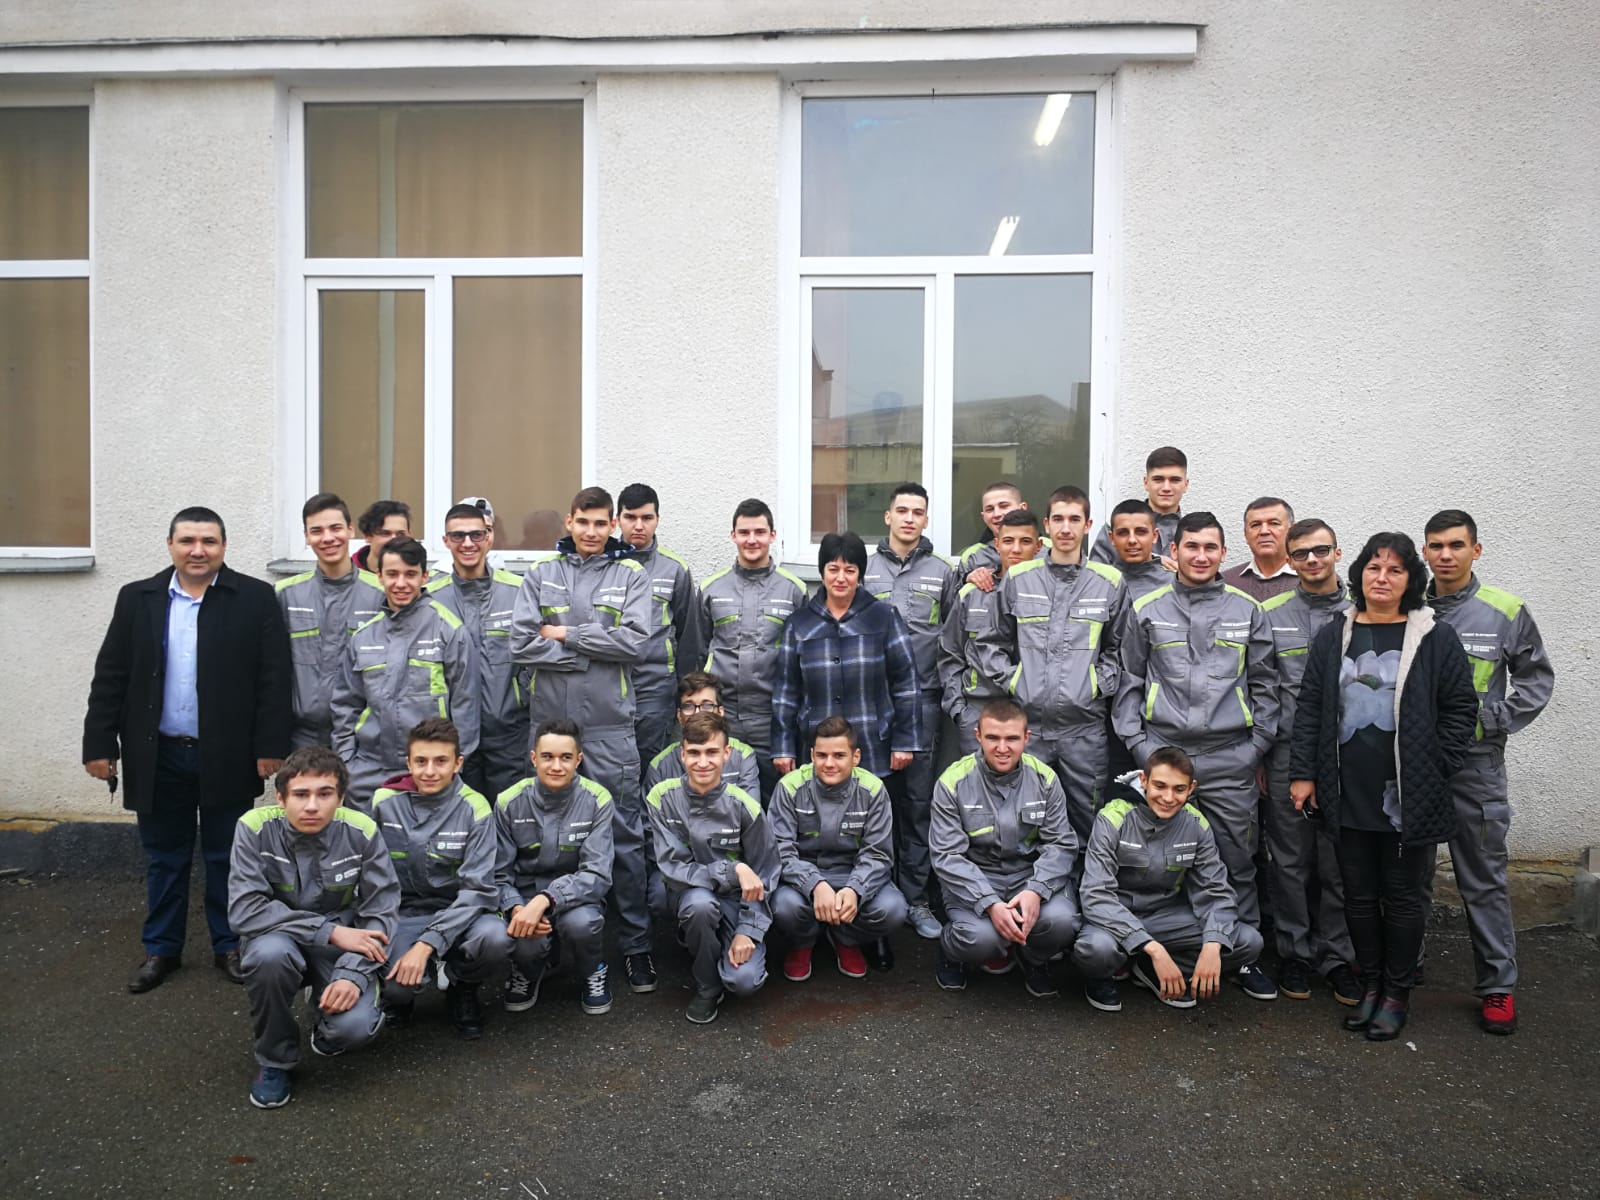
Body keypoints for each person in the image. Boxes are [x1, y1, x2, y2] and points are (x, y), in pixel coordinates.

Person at [83, 506, 292, 994]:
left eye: (209, 541)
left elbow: (274, 679)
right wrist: (99, 743)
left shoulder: (254, 598)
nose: (198, 550)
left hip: (228, 753)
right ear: (170, 545)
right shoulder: (137, 598)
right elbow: (111, 675)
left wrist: (270, 747)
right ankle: (161, 950)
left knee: (228, 855)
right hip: (157, 754)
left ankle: (229, 945)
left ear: (224, 546)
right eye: (187, 541)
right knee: (164, 857)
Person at [1290, 532, 1478, 1041]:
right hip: (1346, 788)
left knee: (1401, 897)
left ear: (1410, 579)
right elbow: (1310, 707)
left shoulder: (1434, 636)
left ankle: (1397, 994)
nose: (1382, 578)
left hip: (1405, 794)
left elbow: (1461, 708)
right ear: (1359, 574)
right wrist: (1304, 774)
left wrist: (1436, 765)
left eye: (1395, 570)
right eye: (1374, 568)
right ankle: (1370, 986)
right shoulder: (1335, 634)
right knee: (1356, 895)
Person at [1113, 511, 1279, 1000]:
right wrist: (1140, 747)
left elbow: (1266, 686)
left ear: (1223, 553)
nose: (1201, 556)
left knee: (1235, 860)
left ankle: (1240, 956)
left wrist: (1256, 748)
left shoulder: (1248, 610)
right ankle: (1156, 953)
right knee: (1158, 862)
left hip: (1229, 758)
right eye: (1192, 546)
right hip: (1163, 756)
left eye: (1210, 547)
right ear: (1175, 550)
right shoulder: (1147, 609)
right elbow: (1129, 682)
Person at [510, 486, 656, 993]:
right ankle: (545, 943)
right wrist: (589, 650)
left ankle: (636, 947)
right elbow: (521, 643)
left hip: (610, 728)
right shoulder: (540, 575)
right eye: (583, 522)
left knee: (625, 836)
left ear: (612, 525)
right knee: (547, 837)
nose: (591, 532)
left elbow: (635, 644)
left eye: (600, 523)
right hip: (552, 728)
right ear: (569, 522)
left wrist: (566, 635)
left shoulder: (631, 575)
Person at [1421, 509, 1554, 1035]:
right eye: (1436, 545)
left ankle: (1498, 985)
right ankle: (1404, 968)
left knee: (1482, 880)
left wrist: (1491, 720)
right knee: (1409, 877)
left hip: (1475, 767)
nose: (1445, 555)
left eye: (1456, 545)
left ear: (1476, 550)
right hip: (1414, 765)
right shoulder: (1409, 608)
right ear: (1425, 552)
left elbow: (1535, 680)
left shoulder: (1504, 610)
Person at [227, 747, 398, 1109]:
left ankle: (327, 1022)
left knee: (354, 1028)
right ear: (280, 798)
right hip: (279, 937)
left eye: (324, 794)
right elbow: (244, 911)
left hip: (340, 942)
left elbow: (381, 912)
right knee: (268, 958)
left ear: (341, 797)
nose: (311, 806)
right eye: (301, 794)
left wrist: (352, 975)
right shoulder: (253, 828)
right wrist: (328, 931)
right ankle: (275, 1060)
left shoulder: (362, 830)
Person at [1072, 747, 1265, 1012]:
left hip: (1166, 918)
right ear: (1144, 780)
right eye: (1160, 786)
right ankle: (1104, 975)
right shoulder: (1113, 817)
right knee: (1095, 949)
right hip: (1114, 918)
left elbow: (1216, 892)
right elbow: (1095, 895)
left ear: (1191, 788)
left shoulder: (1196, 824)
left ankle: (1151, 968)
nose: (1168, 797)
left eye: (1179, 789)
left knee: (1248, 942)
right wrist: (1152, 947)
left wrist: (1213, 944)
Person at [986, 485, 1127, 846]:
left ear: (1088, 525)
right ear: (1047, 525)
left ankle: (1084, 882)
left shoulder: (1109, 582)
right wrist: (1016, 681)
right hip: (1029, 727)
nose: (1066, 528)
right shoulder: (1019, 579)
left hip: (1084, 729)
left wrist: (1096, 684)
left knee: (1088, 819)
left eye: (1074, 520)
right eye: (1059, 519)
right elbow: (992, 641)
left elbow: (1121, 649)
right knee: (1025, 818)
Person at [1259, 519, 1360, 1004]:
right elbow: (1258, 687)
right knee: (1290, 860)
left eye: (1321, 550)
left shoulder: (1364, 613)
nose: (1312, 560)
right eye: (1300, 553)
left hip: (1348, 755)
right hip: (1286, 753)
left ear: (1338, 553)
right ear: (1289, 560)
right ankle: (1295, 953)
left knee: (1338, 862)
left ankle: (1338, 957)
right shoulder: (1270, 613)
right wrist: (1262, 752)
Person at [929, 699, 1081, 996]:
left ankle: (1033, 957)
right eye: (992, 738)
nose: (1002, 748)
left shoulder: (1045, 779)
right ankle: (951, 951)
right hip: (977, 878)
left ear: (1026, 738)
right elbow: (947, 856)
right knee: (980, 939)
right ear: (978, 736)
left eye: (1012, 738)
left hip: (1029, 875)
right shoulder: (952, 782)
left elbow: (1061, 843)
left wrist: (1036, 890)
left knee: (1063, 922)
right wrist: (989, 902)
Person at [862, 482, 960, 941]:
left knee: (918, 803)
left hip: (922, 700)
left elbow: (955, 637)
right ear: (888, 516)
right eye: (901, 510)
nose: (908, 519)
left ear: (925, 519)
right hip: (871, 703)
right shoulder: (865, 569)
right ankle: (876, 895)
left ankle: (917, 898)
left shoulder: (943, 573)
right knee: (872, 801)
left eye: (917, 512)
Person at [370, 717, 509, 1039]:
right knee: (396, 986)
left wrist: (427, 944)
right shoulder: (384, 802)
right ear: (408, 763)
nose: (429, 771)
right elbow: (372, 877)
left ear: (458, 764)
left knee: (495, 938)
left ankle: (463, 985)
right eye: (421, 761)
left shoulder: (475, 808)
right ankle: (403, 997)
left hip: (459, 913)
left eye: (441, 761)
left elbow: (477, 890)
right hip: (404, 914)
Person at [645, 713, 779, 1024]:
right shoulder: (661, 798)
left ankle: (731, 944)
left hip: (737, 901)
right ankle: (707, 985)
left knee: (744, 982)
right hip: (689, 893)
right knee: (700, 906)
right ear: (682, 753)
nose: (702, 762)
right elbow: (673, 866)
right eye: (694, 752)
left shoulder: (745, 805)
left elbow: (766, 872)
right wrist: (733, 870)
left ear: (726, 754)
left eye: (711, 752)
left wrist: (748, 930)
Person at [331, 536, 479, 811]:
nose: (401, 583)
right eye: (392, 574)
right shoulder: (364, 637)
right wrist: (348, 762)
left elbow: (466, 708)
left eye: (410, 574)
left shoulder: (449, 631)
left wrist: (447, 768)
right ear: (379, 576)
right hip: (368, 773)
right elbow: (345, 705)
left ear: (424, 576)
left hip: (428, 774)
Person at [772, 531, 923, 786]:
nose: (841, 578)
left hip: (874, 746)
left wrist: (905, 741)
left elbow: (906, 683)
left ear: (859, 574)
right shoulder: (799, 624)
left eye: (850, 570)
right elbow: (786, 692)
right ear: (822, 572)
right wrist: (783, 747)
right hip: (818, 749)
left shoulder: (883, 617)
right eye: (833, 569)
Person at [768, 717, 908, 981]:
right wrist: (814, 884)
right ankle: (804, 941)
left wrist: (855, 889)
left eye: (839, 755)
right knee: (782, 907)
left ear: (856, 757)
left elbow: (878, 854)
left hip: (851, 874)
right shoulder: (789, 787)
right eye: (822, 755)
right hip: (801, 878)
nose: (829, 763)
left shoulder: (873, 789)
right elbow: (779, 850)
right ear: (812, 755)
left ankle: (846, 938)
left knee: (893, 909)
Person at [495, 719, 615, 1015]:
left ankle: (592, 969)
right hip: (524, 898)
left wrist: (547, 899)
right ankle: (527, 970)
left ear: (579, 759)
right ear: (533, 758)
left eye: (566, 757)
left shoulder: (597, 800)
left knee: (582, 924)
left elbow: (597, 873)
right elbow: (498, 873)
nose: (557, 766)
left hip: (577, 897)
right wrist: (515, 907)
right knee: (525, 936)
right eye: (547, 757)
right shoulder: (509, 802)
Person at [696, 498, 807, 801]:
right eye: (744, 532)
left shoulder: (794, 590)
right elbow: (698, 651)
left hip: (771, 717)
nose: (752, 540)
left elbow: (801, 660)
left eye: (760, 532)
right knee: (722, 798)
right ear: (733, 535)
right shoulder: (711, 589)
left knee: (777, 798)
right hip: (723, 715)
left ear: (773, 535)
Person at [426, 501, 530, 799]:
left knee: (510, 815)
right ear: (445, 541)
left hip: (510, 732)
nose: (468, 543)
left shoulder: (518, 591)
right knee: (462, 815)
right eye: (458, 536)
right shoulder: (430, 599)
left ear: (489, 537)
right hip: (451, 735)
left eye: (476, 534)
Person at [276, 493, 384, 750]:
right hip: (301, 738)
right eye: (316, 531)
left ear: (350, 530)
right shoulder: (285, 594)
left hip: (362, 738)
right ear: (306, 537)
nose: (327, 538)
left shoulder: (380, 594)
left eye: (335, 528)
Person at [939, 509, 1043, 757]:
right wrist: (959, 710)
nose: (1016, 549)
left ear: (1038, 547)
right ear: (996, 544)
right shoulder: (972, 594)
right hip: (978, 712)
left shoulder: (1048, 597)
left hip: (1034, 715)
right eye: (1008, 541)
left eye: (1025, 541)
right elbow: (950, 654)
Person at [616, 483, 701, 776]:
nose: (638, 525)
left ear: (657, 519)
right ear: (617, 520)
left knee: (652, 766)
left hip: (656, 689)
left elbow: (689, 636)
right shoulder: (602, 564)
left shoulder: (674, 569)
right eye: (630, 517)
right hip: (609, 686)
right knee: (612, 767)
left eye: (647, 517)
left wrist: (683, 692)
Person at [645, 672, 761, 797]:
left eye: (707, 705)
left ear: (720, 712)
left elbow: (750, 807)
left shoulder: (743, 756)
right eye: (689, 706)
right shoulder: (660, 765)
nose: (698, 713)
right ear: (679, 716)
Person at [1090, 446, 1189, 567]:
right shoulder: (1116, 527)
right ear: (1146, 483)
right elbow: (1096, 574)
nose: (1166, 488)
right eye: (1158, 479)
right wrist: (1148, 561)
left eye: (1175, 480)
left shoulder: (1193, 533)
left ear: (1186, 485)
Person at [1222, 497, 1299, 602]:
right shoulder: (1226, 583)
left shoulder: (1310, 579)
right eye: (1256, 525)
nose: (1264, 531)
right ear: (1245, 535)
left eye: (1274, 523)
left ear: (1292, 531)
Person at [955, 480, 1026, 590]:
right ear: (983, 517)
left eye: (1004, 506)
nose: (996, 514)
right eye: (990, 509)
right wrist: (966, 579)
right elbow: (955, 595)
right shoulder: (972, 557)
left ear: (1022, 508)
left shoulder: (1047, 549)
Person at [1106, 498, 1172, 602]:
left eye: (1140, 532)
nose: (1132, 540)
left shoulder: (1176, 586)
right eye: (1123, 533)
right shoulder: (1099, 585)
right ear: (1112, 538)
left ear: (1155, 536)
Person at [351, 499, 413, 573]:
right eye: (385, 533)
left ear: (409, 536)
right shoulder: (347, 575)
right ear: (367, 536)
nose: (394, 540)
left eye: (400, 534)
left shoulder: (420, 575)